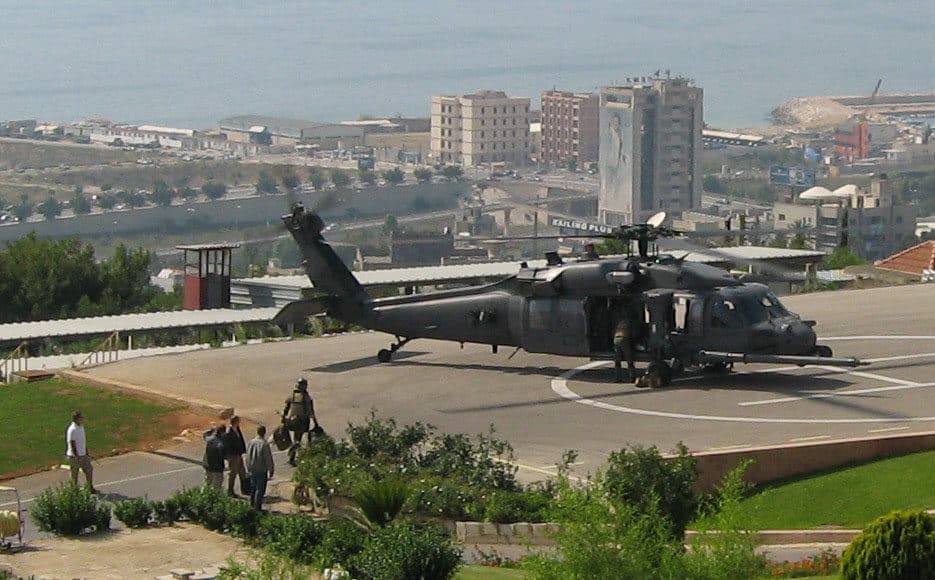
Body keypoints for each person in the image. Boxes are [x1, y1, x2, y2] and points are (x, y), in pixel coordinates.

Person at [282, 378, 319, 466]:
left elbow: (286, 408)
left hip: (293, 421)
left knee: (296, 438)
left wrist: (283, 418)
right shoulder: (306, 397)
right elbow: (310, 411)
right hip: (303, 421)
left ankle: (293, 457)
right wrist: (315, 422)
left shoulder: (292, 395)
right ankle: (302, 457)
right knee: (306, 439)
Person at [245, 425, 275, 511]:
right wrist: (271, 469)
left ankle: (251, 505)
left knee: (253, 487)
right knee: (260, 489)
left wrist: (248, 466)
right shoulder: (264, 444)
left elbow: (247, 456)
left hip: (252, 468)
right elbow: (267, 458)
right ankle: (257, 508)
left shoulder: (251, 442)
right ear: (264, 433)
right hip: (261, 469)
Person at [66, 411, 97, 493]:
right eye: (81, 418)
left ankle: (90, 487)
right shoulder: (72, 429)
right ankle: (74, 490)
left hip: (83, 454)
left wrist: (86, 452)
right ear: (77, 419)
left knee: (89, 469)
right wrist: (77, 456)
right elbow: (72, 443)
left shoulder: (81, 427)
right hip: (74, 456)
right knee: (74, 474)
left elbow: (82, 441)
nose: (83, 419)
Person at [613, 299, 637, 383]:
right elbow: (633, 335)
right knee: (629, 360)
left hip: (616, 339)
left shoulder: (620, 322)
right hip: (624, 339)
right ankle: (632, 377)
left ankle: (617, 378)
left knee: (617, 361)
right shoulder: (630, 322)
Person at [223, 416, 248, 497]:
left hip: (238, 454)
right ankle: (230, 490)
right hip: (233, 456)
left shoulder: (237, 429)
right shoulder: (229, 432)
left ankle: (245, 489)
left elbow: (240, 439)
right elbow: (227, 445)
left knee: (242, 472)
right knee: (232, 473)